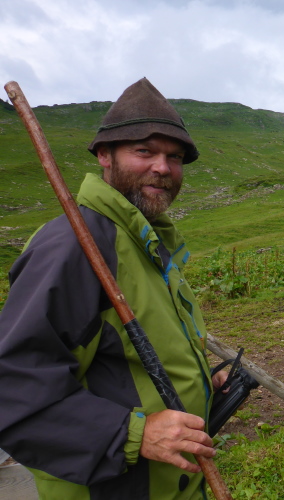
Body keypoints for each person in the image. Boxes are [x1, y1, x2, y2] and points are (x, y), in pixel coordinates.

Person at [0, 78, 229, 499]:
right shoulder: (74, 248)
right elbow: (13, 391)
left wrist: (201, 382)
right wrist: (132, 434)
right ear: (104, 156)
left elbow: (128, 360)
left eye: (175, 157)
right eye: (144, 151)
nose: (163, 168)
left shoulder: (145, 242)